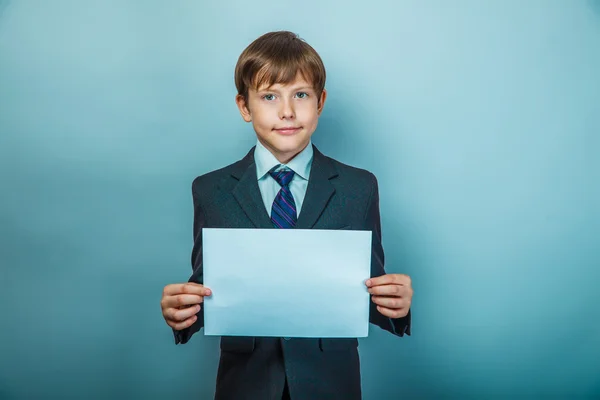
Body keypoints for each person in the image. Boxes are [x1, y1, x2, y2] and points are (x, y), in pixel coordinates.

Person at [160, 30, 413, 400]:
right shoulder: (210, 190)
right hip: (245, 383)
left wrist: (397, 306)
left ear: (320, 101)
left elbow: (368, 291)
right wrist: (181, 312)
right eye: (268, 96)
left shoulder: (358, 187)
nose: (287, 112)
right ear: (244, 107)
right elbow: (207, 286)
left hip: (330, 383)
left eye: (300, 94)